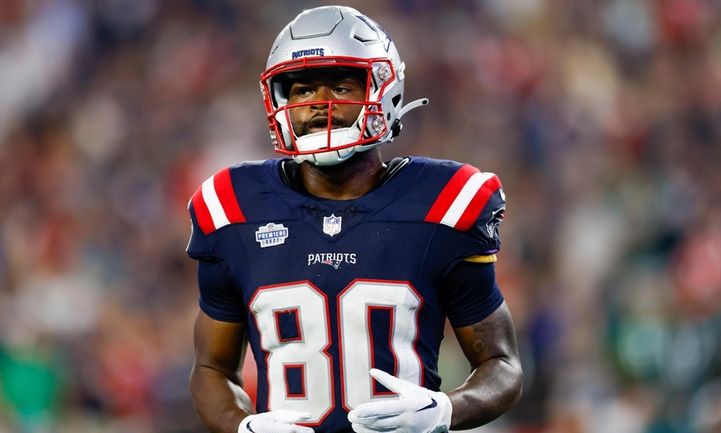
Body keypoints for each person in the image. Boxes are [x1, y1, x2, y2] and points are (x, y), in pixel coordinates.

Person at [186, 5, 523, 433]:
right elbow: (211, 369)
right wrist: (243, 427)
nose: (319, 105)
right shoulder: (231, 206)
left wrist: (445, 411)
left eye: (341, 87)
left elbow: (502, 364)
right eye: (303, 91)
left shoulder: (444, 201)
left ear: (385, 90)